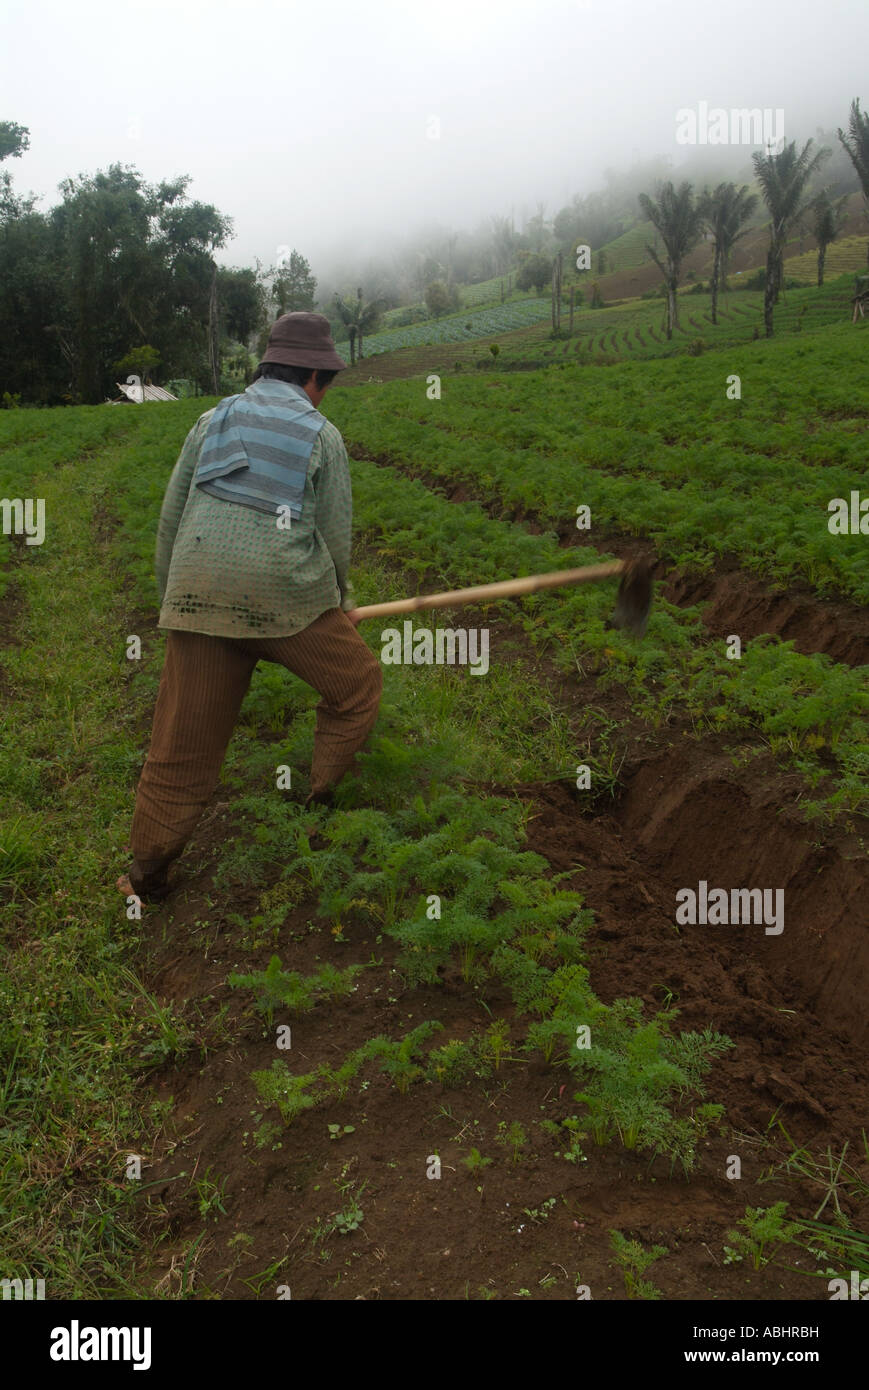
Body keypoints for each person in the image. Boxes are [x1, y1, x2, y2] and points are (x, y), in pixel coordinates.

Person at [116, 312, 381, 904]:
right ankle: (321, 805)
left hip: (196, 591)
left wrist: (176, 603)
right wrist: (340, 604)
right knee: (357, 685)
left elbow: (171, 516)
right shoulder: (321, 435)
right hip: (287, 600)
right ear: (314, 374)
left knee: (180, 744)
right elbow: (335, 537)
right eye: (327, 379)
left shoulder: (210, 420)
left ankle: (146, 877)